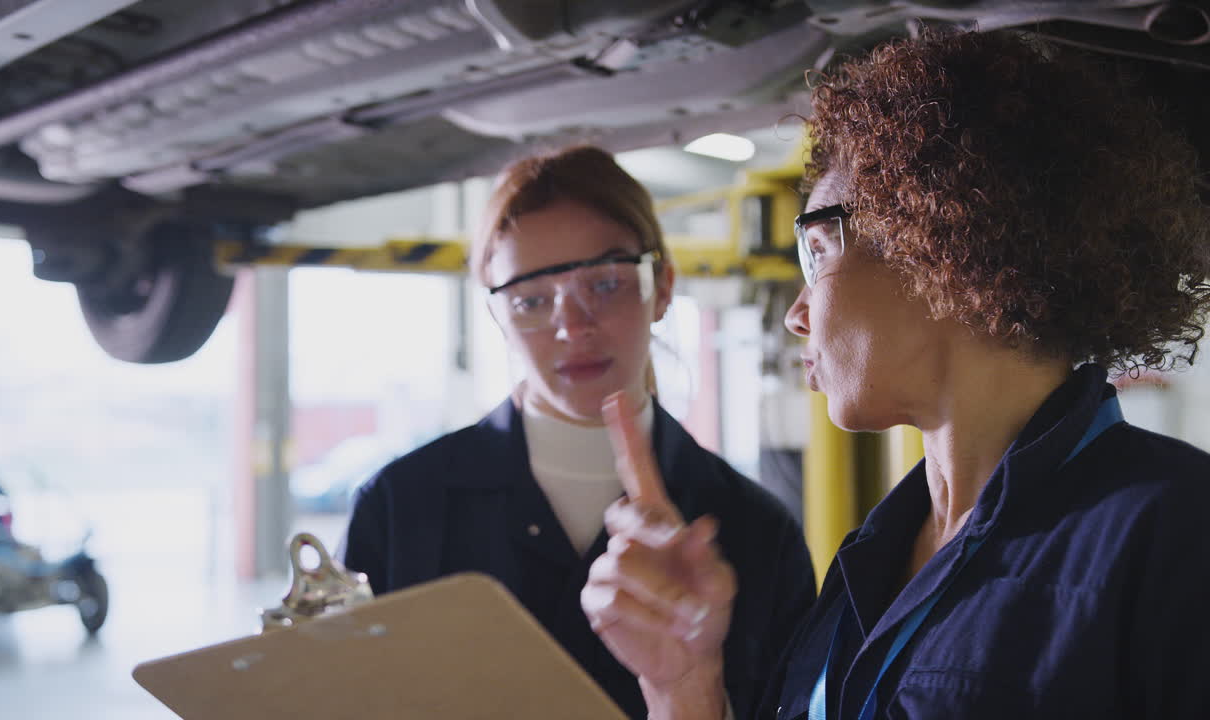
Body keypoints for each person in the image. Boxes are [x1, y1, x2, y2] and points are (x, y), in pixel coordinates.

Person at [581, 29, 1210, 720]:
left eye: (817, 251)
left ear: (943, 237)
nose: (797, 313)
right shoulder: (871, 558)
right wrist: (687, 684)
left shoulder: (1175, 534)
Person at [338, 145, 816, 719]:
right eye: (532, 300)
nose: (572, 325)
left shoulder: (757, 531)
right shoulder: (398, 508)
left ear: (662, 286)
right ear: (498, 316)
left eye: (606, 283)